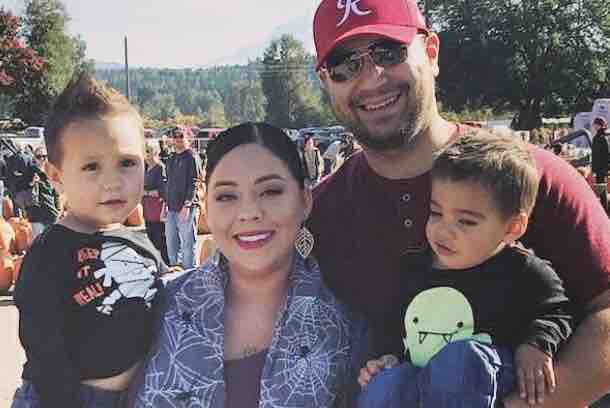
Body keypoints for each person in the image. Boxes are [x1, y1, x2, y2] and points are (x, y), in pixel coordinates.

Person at [309, 0, 610, 406]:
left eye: (388, 52)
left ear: (431, 52)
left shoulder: (531, 177)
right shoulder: (319, 214)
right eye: (344, 66)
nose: (371, 78)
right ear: (326, 82)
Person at [133, 122, 364, 407]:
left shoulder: (348, 328)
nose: (249, 212)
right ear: (207, 207)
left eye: (270, 191)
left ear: (305, 200)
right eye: (227, 196)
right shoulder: (155, 308)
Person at [357, 131, 572, 407]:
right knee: (384, 385)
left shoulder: (522, 270)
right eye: (436, 213)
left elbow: (556, 311)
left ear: (512, 227)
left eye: (466, 221)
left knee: (460, 362)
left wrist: (535, 345)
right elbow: (392, 326)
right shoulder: (412, 268)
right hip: (419, 382)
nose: (443, 230)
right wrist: (386, 358)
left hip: (481, 382)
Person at [11, 73, 167, 408]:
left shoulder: (139, 243)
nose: (113, 182)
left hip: (140, 394)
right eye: (92, 167)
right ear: (56, 176)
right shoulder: (49, 254)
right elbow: (44, 349)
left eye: (127, 163)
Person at [164, 125, 201, 269]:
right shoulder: (171, 158)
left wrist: (187, 205)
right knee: (171, 244)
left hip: (187, 208)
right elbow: (168, 183)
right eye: (175, 136)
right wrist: (164, 206)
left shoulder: (191, 157)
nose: (178, 139)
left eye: (181, 136)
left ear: (188, 138)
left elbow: (194, 183)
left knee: (187, 245)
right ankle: (176, 273)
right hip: (171, 208)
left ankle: (189, 274)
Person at [26, 146, 62, 239]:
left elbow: (56, 194)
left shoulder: (52, 174)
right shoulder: (29, 172)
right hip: (35, 215)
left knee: (53, 242)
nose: (42, 159)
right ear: (34, 158)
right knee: (38, 242)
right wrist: (31, 183)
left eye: (45, 156)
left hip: (51, 213)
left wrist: (58, 210)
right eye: (39, 156)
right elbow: (20, 191)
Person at [143, 141, 169, 264]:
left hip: (157, 209)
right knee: (151, 239)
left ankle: (165, 264)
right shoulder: (146, 168)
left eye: (148, 151)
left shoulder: (160, 168)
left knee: (160, 239)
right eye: (144, 151)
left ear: (155, 152)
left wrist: (146, 193)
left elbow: (162, 191)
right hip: (147, 210)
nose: (146, 154)